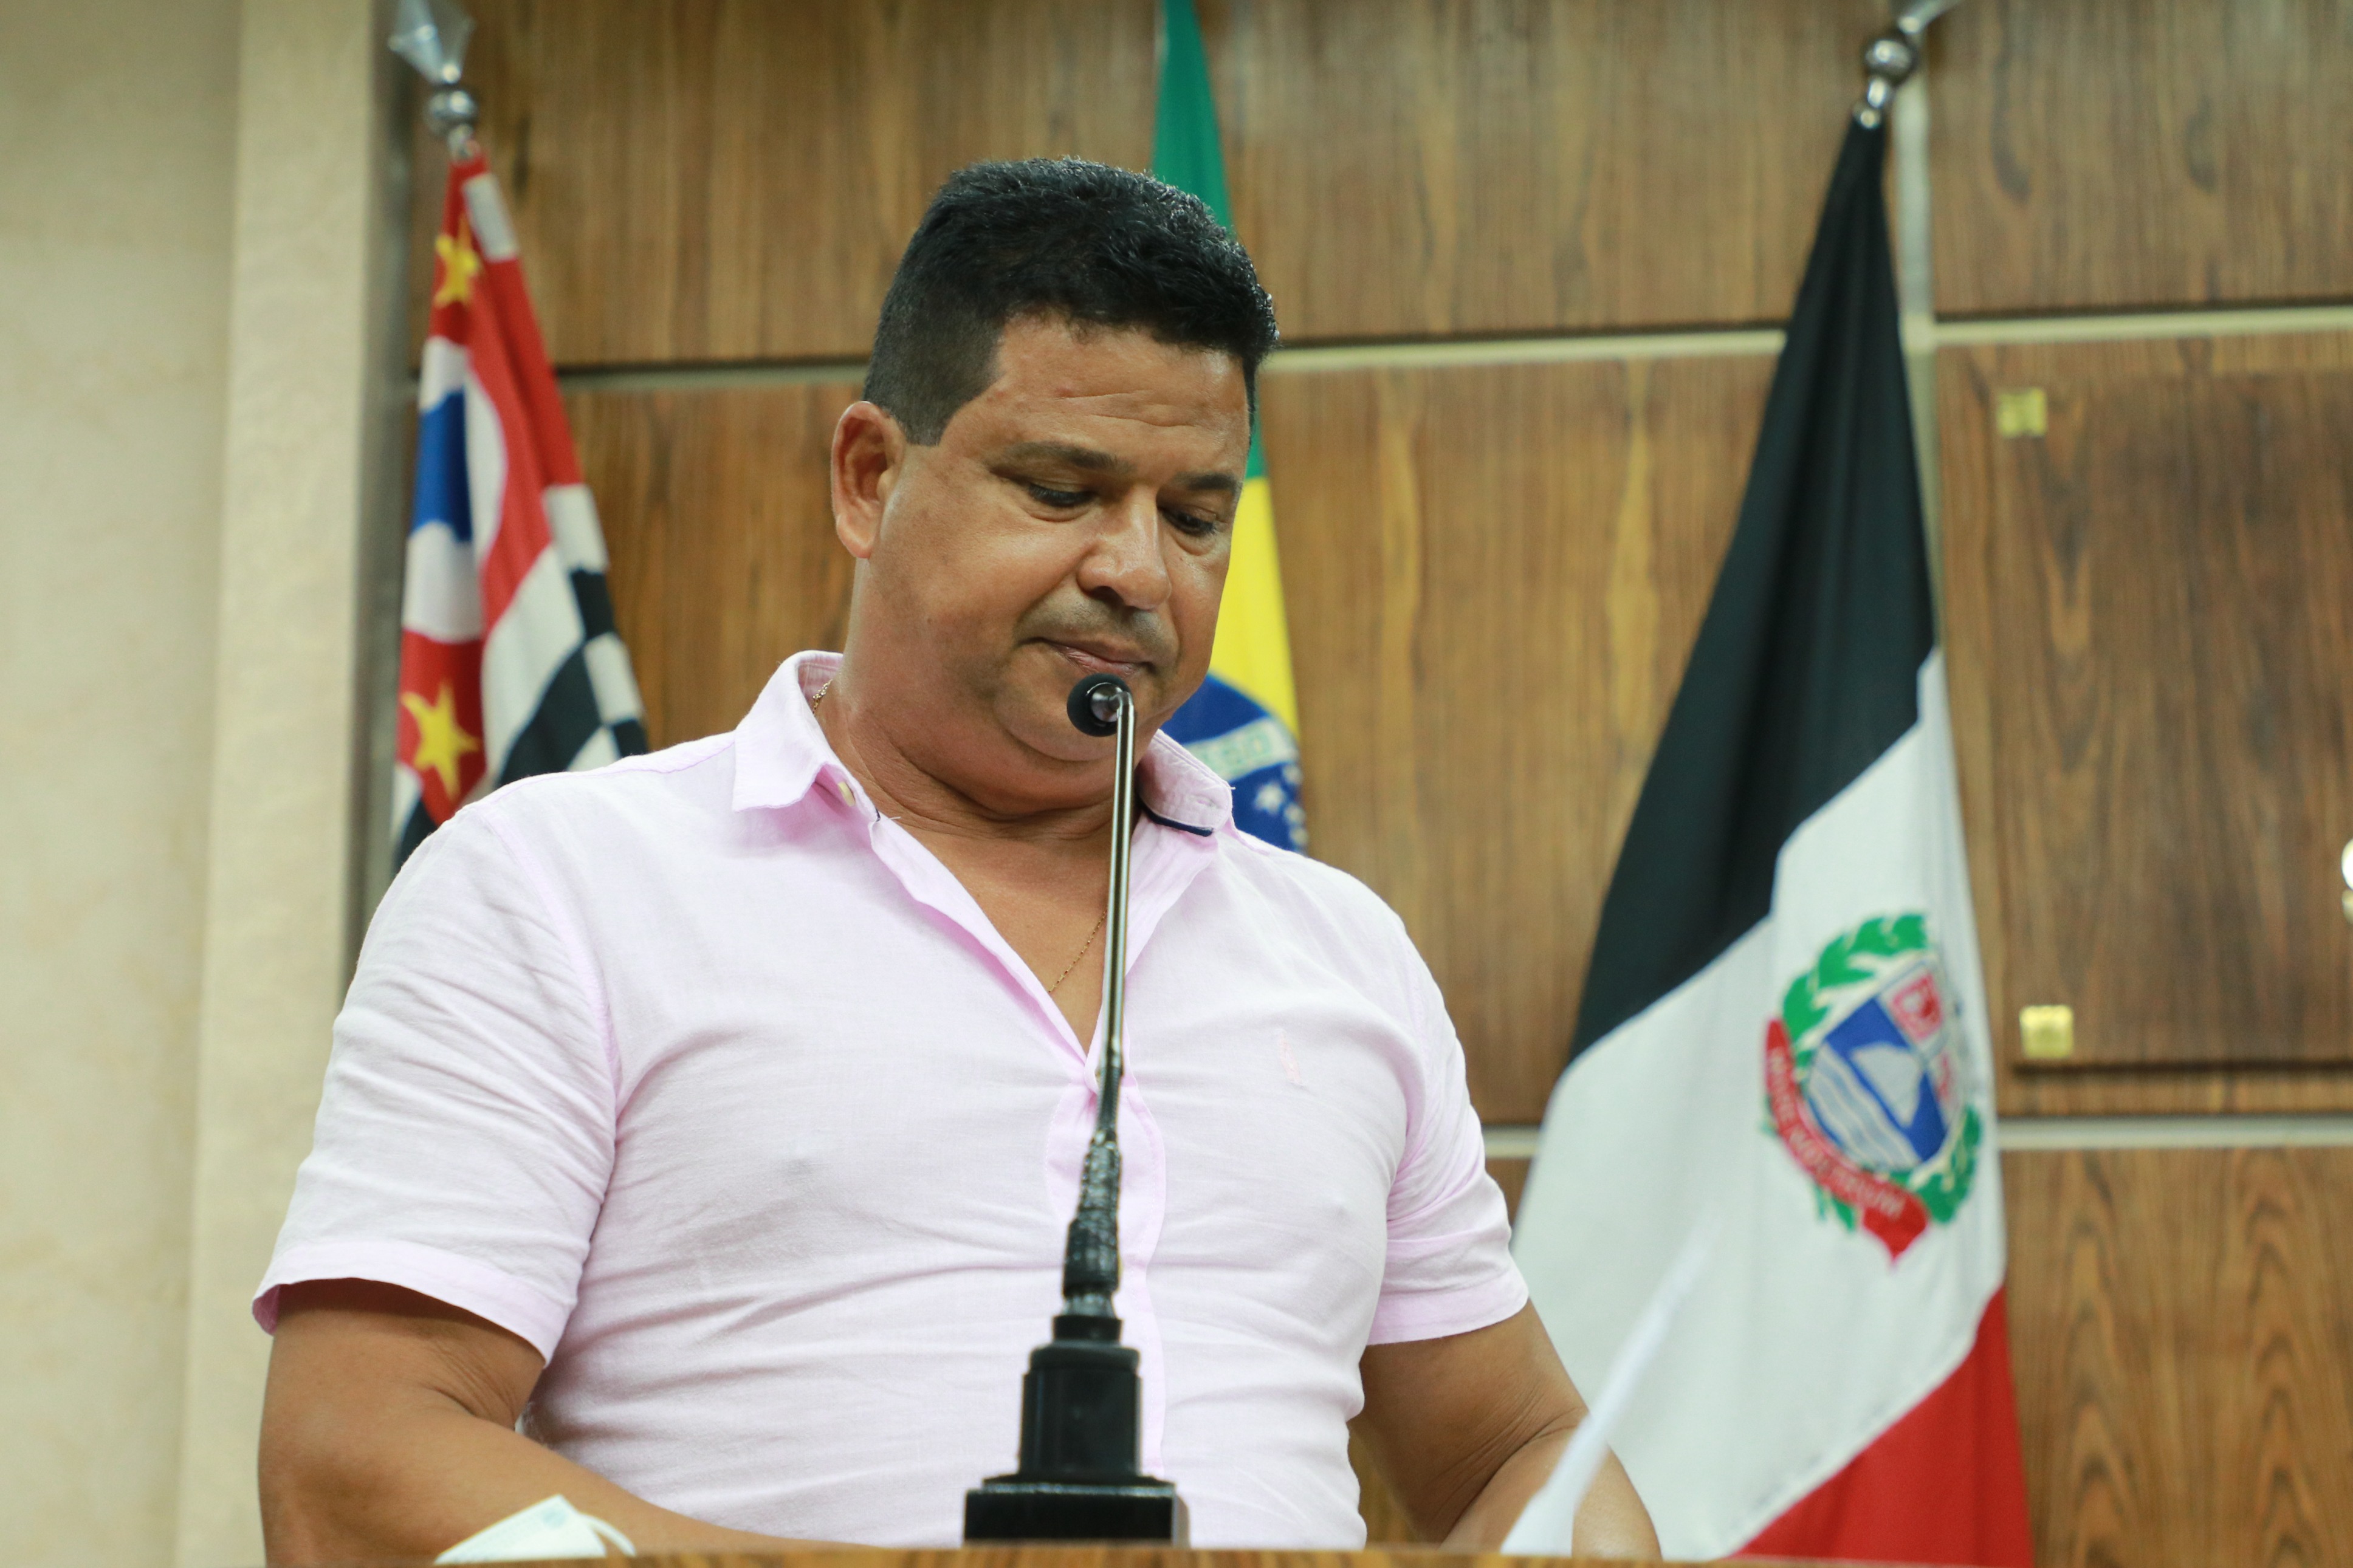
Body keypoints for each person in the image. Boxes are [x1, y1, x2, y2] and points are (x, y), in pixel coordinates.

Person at [256, 157, 1657, 1562]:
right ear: (869, 480)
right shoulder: (557, 886)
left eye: (1194, 516)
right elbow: (355, 1465)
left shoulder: (1341, 949)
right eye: (1061, 489)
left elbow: (1520, 1451)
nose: (1138, 572)